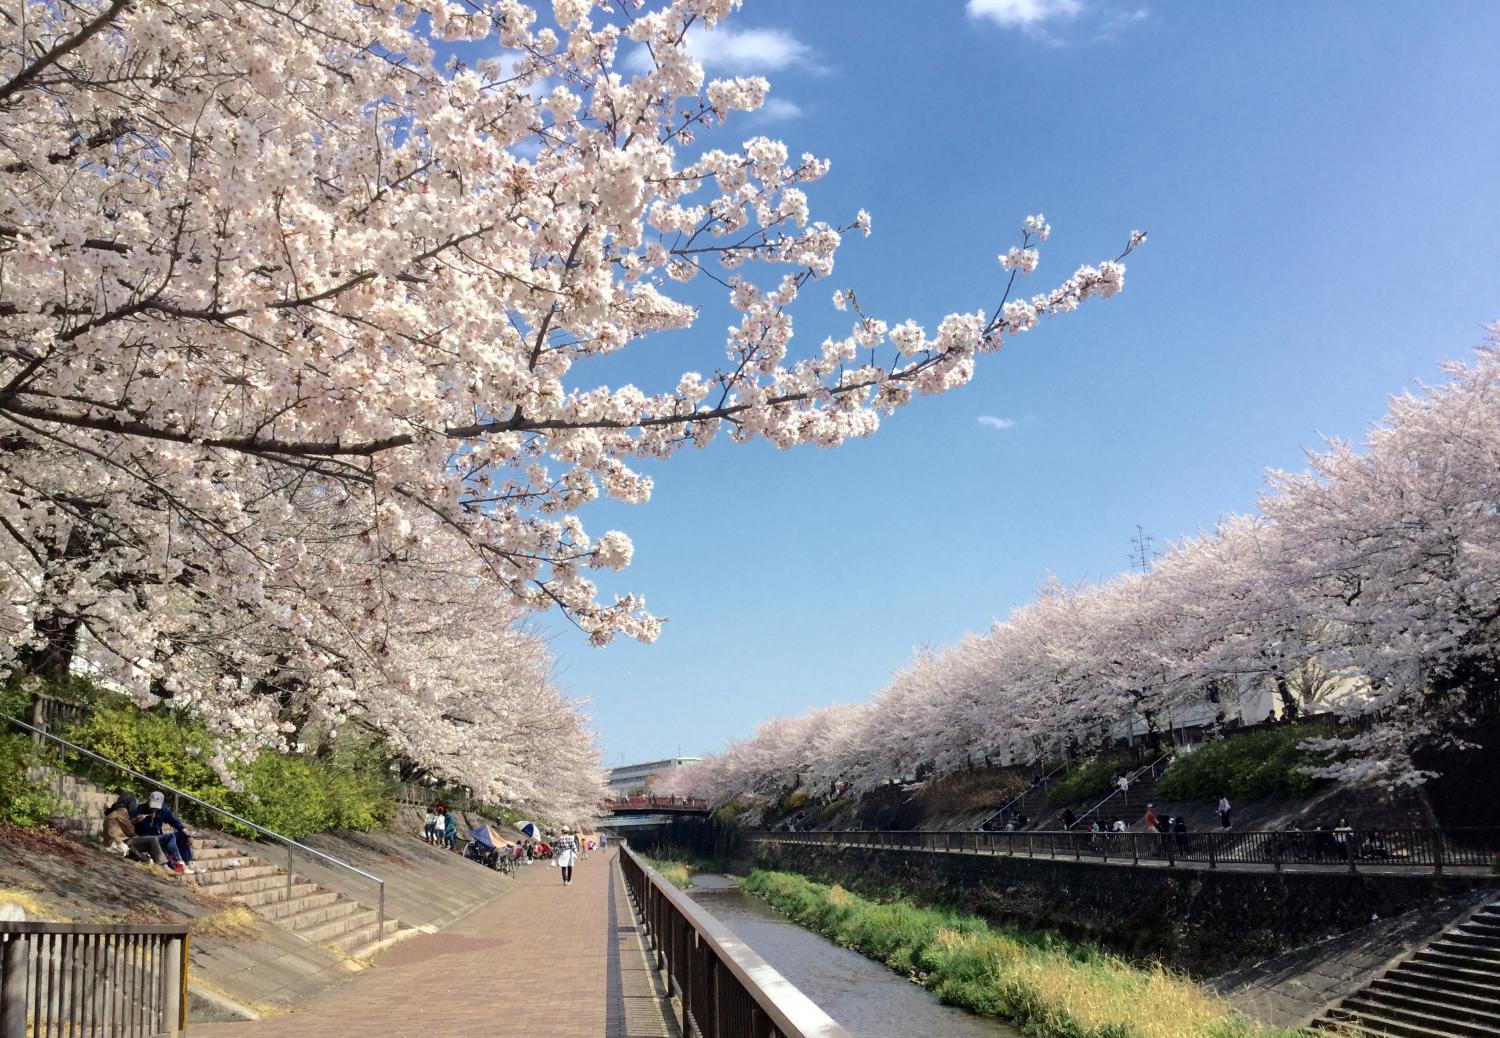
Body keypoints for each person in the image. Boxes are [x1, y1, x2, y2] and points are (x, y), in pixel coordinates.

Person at [133, 792, 197, 874]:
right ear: (148, 801)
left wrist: (188, 835)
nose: (154, 809)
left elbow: (175, 822)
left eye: (156, 807)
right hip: (146, 838)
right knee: (170, 837)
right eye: (152, 806)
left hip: (159, 837)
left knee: (181, 835)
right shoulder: (139, 809)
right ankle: (178, 863)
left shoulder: (163, 810)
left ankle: (189, 862)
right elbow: (127, 823)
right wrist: (136, 820)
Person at [103, 794, 168, 865]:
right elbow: (130, 830)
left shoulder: (113, 812)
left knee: (145, 851)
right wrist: (137, 820)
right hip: (120, 843)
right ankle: (163, 865)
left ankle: (154, 863)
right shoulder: (122, 811)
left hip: (114, 842)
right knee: (153, 839)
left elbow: (125, 825)